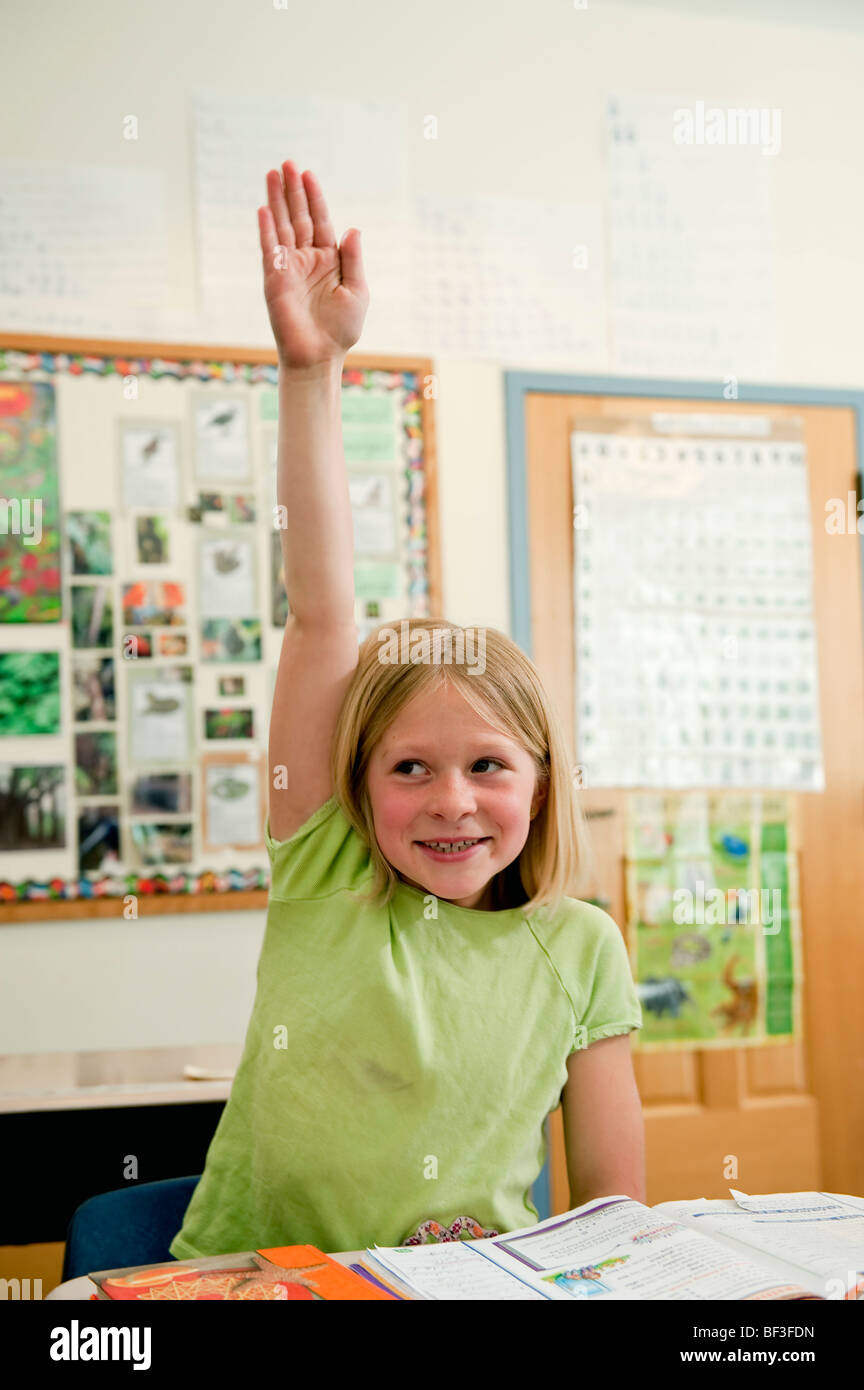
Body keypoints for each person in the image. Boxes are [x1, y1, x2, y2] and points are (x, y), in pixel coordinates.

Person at [169, 161, 644, 1260]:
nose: (452, 802)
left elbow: (614, 1222)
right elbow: (323, 612)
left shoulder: (579, 950)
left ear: (539, 780)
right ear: (355, 785)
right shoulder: (326, 871)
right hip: (260, 1284)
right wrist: (313, 368)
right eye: (408, 768)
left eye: (487, 766)